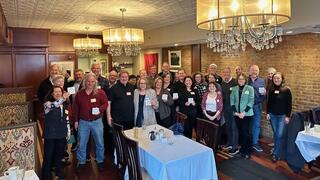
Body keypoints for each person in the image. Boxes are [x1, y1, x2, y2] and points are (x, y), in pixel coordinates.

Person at [73, 73, 108, 172]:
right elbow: (76, 109)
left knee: (100, 142)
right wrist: (75, 121)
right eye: (88, 81)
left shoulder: (100, 92)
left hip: (97, 122)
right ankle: (81, 162)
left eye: (93, 81)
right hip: (83, 122)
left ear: (95, 82)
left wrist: (100, 109)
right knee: (81, 143)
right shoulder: (79, 94)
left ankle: (100, 161)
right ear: (85, 82)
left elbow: (105, 103)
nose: (90, 83)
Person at [42, 86, 70, 180]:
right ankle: (46, 175)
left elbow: (66, 119)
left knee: (59, 155)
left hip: (61, 133)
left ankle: (59, 173)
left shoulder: (64, 105)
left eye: (60, 92)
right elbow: (54, 105)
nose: (58, 93)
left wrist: (68, 132)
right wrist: (63, 98)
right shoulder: (47, 104)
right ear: (52, 94)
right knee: (48, 156)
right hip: (50, 134)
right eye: (56, 92)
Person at [267, 72, 292, 162]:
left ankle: (276, 154)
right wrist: (268, 113)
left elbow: (289, 104)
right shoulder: (271, 89)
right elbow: (269, 102)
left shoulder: (286, 90)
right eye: (275, 78)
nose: (276, 80)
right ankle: (277, 150)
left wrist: (287, 116)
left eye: (278, 78)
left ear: (282, 79)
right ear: (273, 80)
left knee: (279, 135)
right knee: (276, 133)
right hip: (273, 115)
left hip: (282, 116)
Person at [230, 73, 254, 159]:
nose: (241, 80)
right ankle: (242, 149)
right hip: (237, 114)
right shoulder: (234, 89)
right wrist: (236, 112)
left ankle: (247, 152)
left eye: (242, 79)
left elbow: (251, 101)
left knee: (246, 133)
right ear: (237, 80)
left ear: (245, 80)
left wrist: (244, 113)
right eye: (239, 79)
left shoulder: (250, 88)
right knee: (240, 132)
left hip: (247, 115)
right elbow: (232, 101)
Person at [248, 65, 266, 152]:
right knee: (248, 124)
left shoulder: (262, 81)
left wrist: (260, 100)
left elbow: (263, 94)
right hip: (247, 106)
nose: (254, 72)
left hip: (257, 106)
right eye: (252, 70)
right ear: (249, 71)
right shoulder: (245, 80)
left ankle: (255, 143)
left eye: (256, 70)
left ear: (258, 72)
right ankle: (248, 141)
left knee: (256, 125)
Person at [221, 67, 238, 155]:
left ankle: (235, 146)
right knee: (228, 126)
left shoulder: (235, 82)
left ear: (230, 72)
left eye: (227, 72)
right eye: (224, 73)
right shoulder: (222, 83)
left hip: (234, 108)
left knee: (234, 127)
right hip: (226, 108)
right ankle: (229, 143)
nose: (226, 74)